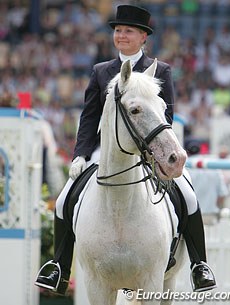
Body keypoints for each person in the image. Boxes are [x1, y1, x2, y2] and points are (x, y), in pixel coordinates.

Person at [35, 4, 216, 295]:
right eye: (118, 30)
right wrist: (80, 154)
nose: (121, 35)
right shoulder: (101, 71)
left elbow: (164, 118)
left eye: (128, 31)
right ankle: (59, 266)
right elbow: (89, 118)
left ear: (143, 37)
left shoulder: (161, 71)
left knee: (188, 194)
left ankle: (199, 265)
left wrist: (153, 152)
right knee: (63, 199)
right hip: (104, 152)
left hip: (150, 152)